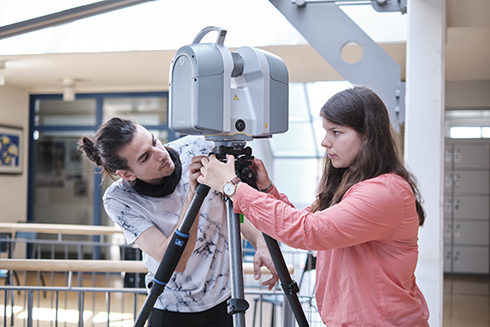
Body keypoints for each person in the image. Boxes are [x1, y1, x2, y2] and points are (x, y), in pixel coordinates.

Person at [197, 85, 430, 327]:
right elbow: (301, 219)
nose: (324, 142)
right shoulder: (351, 183)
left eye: (336, 132)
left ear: (368, 135)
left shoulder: (383, 192)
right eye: (325, 131)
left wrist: (232, 187)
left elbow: (309, 231)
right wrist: (267, 190)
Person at [78, 117, 278, 327]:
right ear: (127, 174)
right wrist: (193, 193)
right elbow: (175, 261)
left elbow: (236, 205)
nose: (161, 154)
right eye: (145, 157)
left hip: (226, 299)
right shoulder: (119, 200)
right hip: (171, 308)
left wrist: (262, 244)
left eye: (154, 141)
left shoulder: (198, 146)